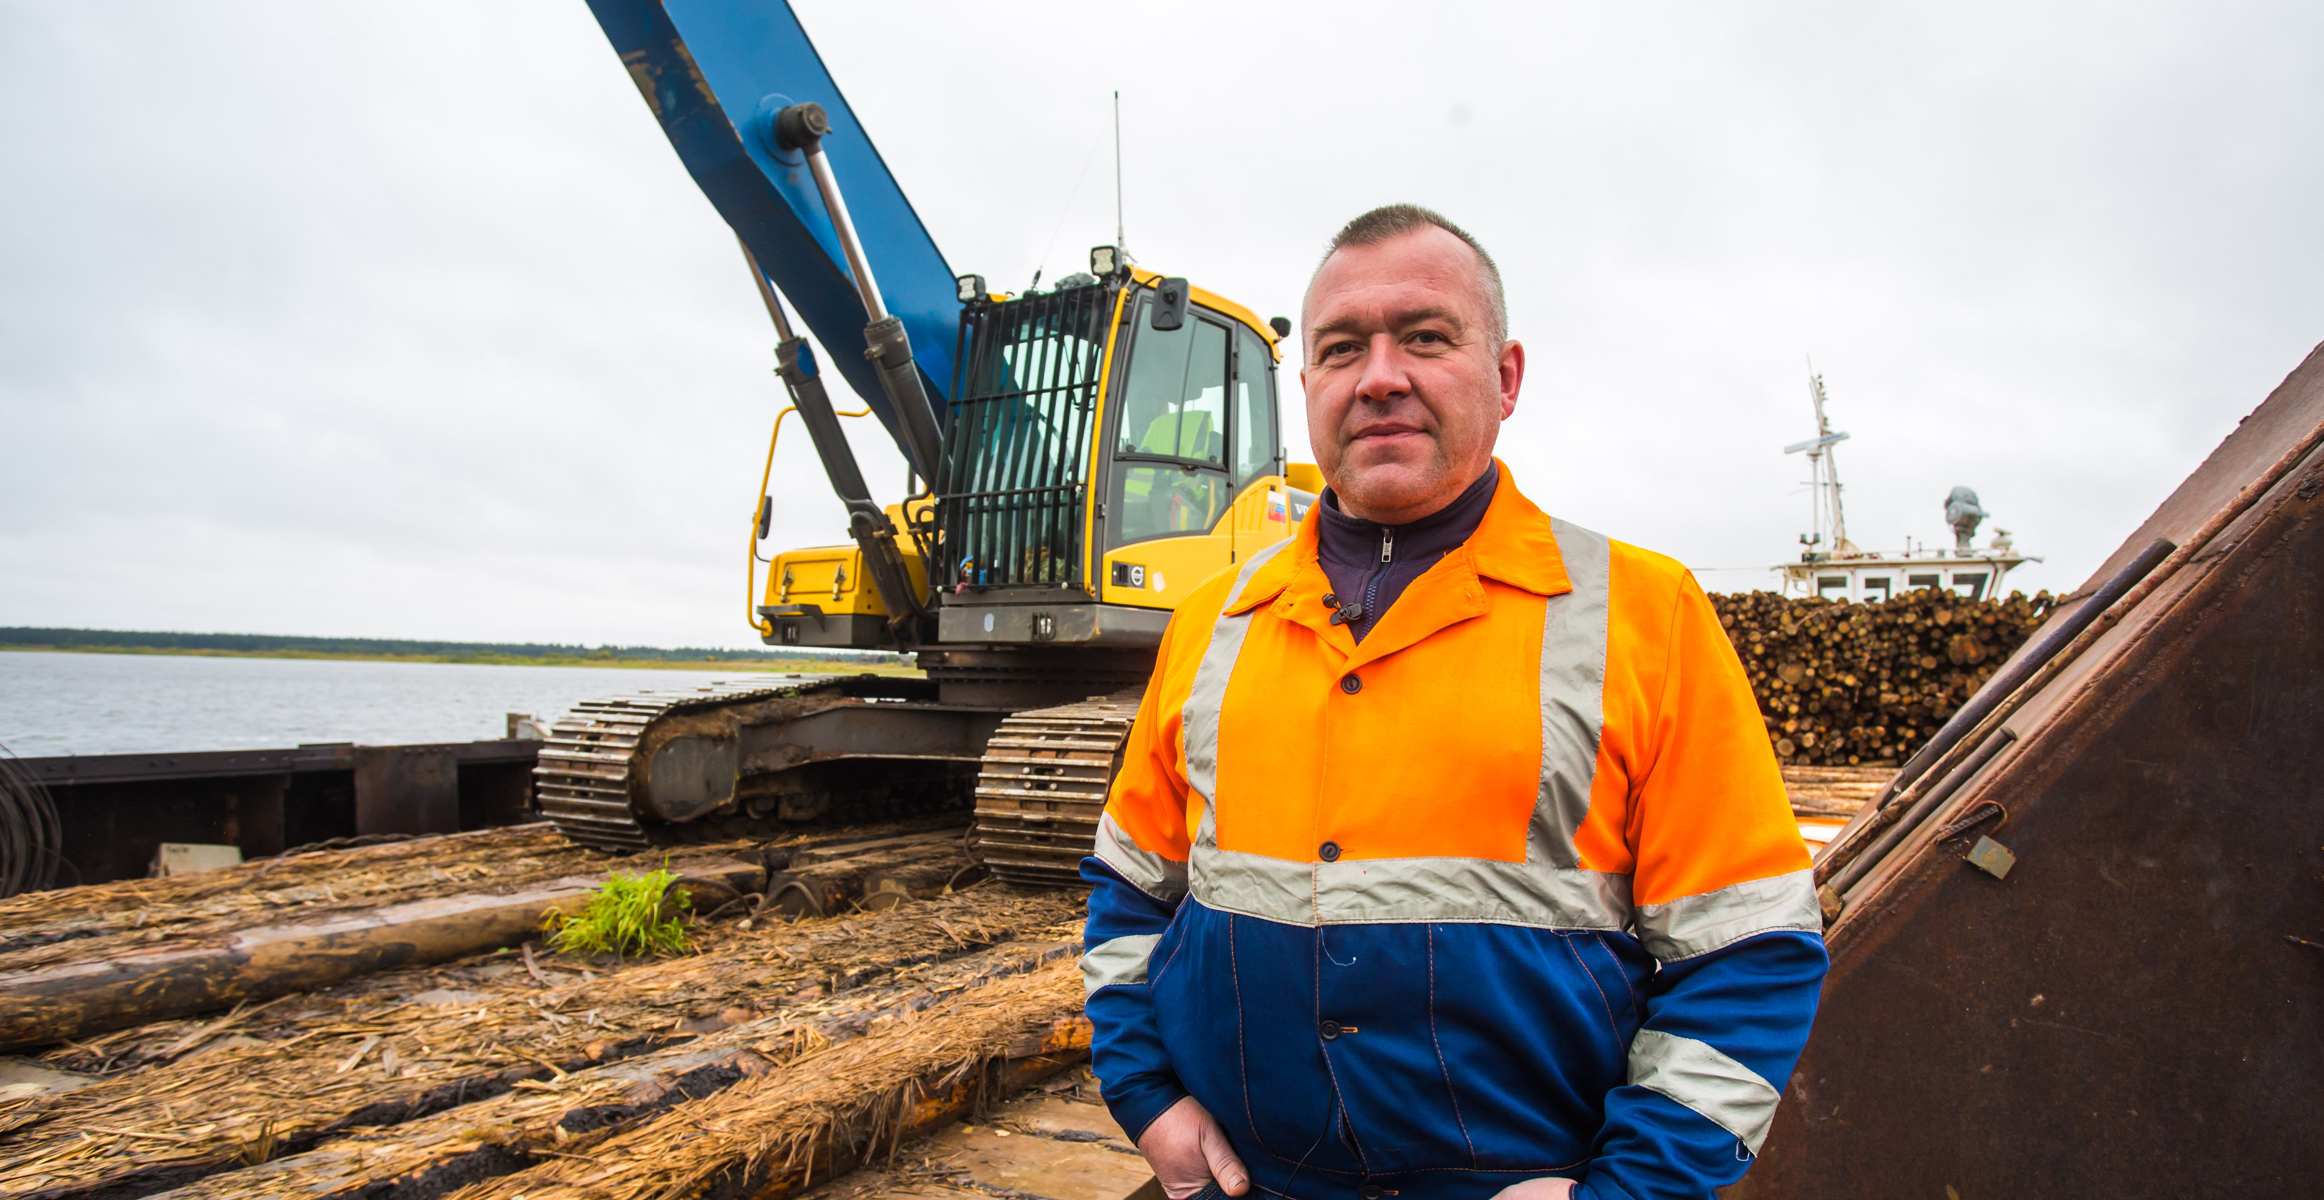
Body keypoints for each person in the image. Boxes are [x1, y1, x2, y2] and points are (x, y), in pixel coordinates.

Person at [1079, 204, 1827, 1200]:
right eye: (1341, 348)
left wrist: (1630, 1191)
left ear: (1505, 376)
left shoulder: (1642, 614)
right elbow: (1129, 893)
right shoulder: (1214, 618)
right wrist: (1146, 1099)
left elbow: (1748, 950)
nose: (1379, 375)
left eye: (1424, 338)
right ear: (1307, 386)